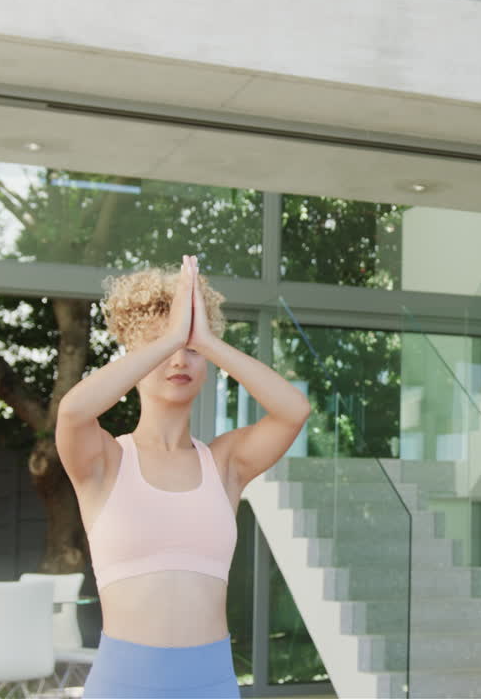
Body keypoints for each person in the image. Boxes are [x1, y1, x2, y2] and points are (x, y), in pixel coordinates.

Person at [56, 255, 310, 697]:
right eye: (160, 346)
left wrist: (206, 340)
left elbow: (294, 410)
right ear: (134, 359)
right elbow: (73, 411)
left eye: (192, 351)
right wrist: (174, 335)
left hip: (210, 684)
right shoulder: (105, 461)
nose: (179, 359)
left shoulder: (224, 464)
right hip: (123, 684)